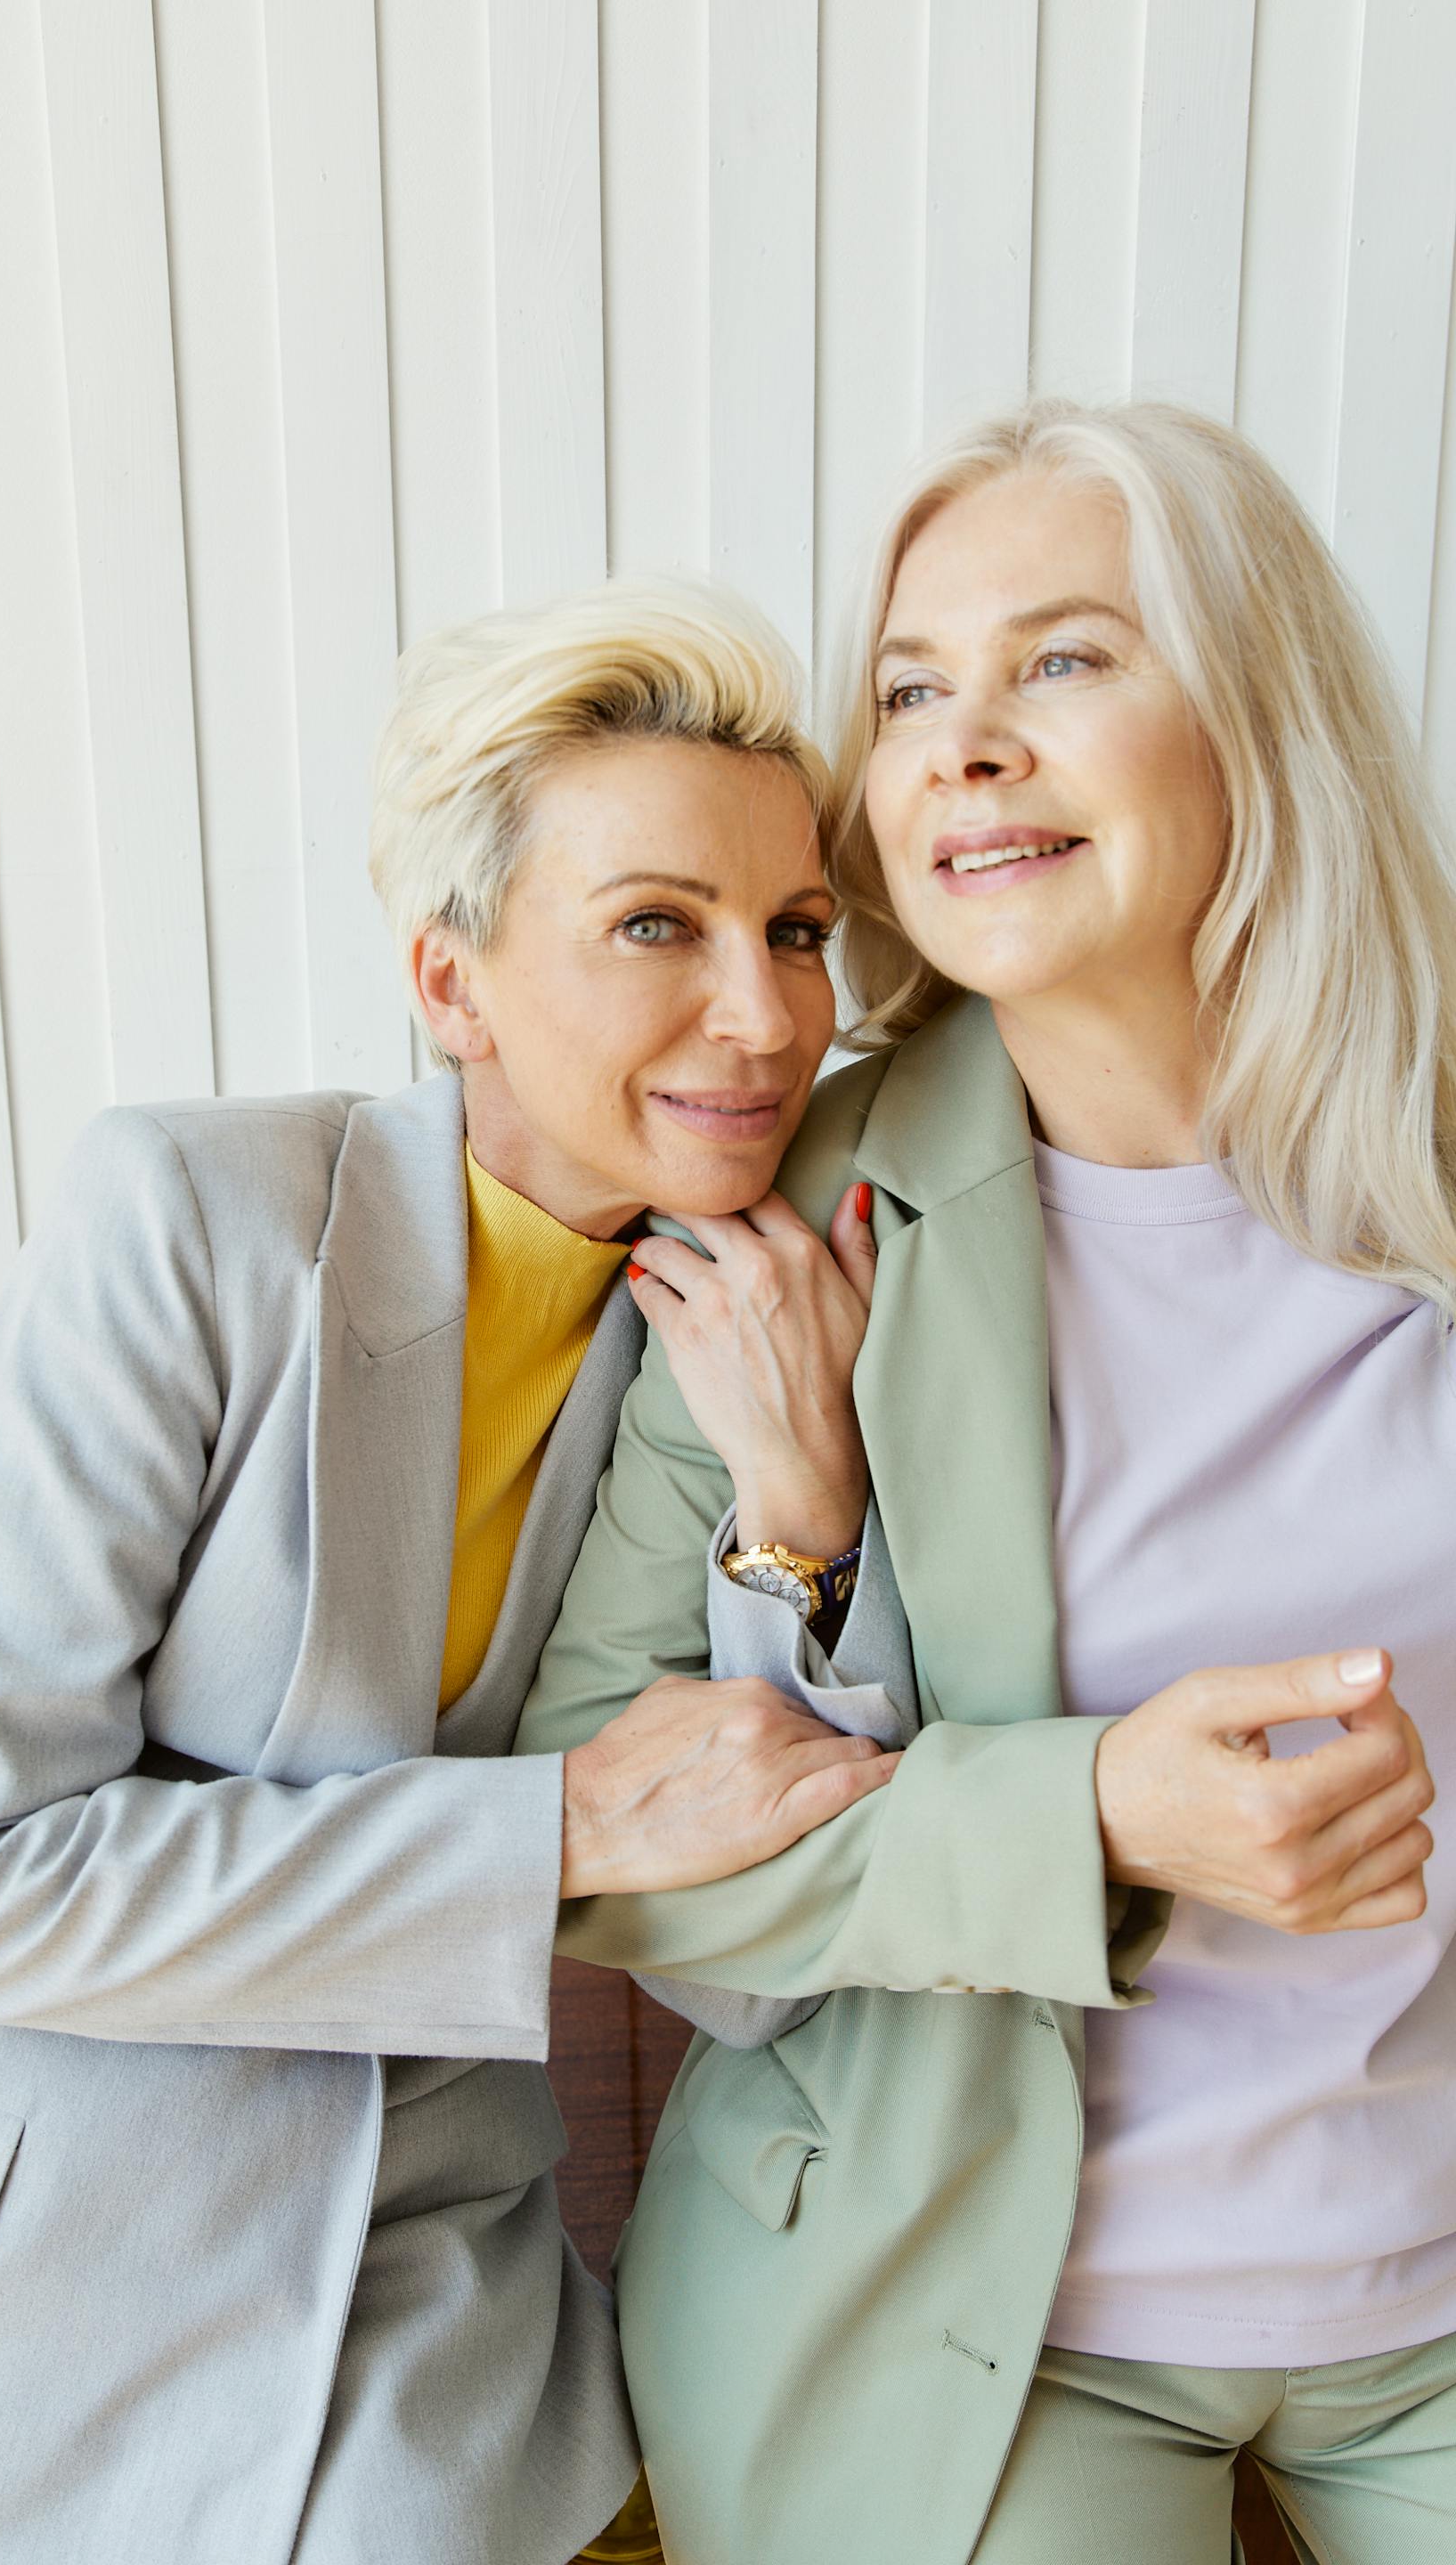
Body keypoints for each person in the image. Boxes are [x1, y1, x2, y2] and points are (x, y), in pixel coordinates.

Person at [0, 579, 894, 2565]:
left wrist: (803, 1500)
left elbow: (764, 1978)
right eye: (657, 925)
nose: (771, 1011)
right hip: (12, 2223)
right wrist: (553, 1832)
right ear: (451, 987)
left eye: (796, 929)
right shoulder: (187, 1223)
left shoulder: (778, 1312)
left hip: (418, 2279)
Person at [517, 403, 1456, 2564]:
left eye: (1063, 661)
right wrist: (1090, 1813)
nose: (964, 742)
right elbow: (593, 1812)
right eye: (912, 687)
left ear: (1259, 712)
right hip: (984, 2318)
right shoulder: (782, 1211)